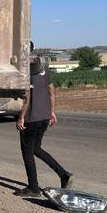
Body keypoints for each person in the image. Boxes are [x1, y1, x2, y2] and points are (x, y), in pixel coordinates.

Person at [14, 47, 72, 198]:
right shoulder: (43, 67)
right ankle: (64, 174)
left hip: (30, 118)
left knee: (27, 151)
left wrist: (21, 117)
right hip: (44, 117)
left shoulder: (25, 69)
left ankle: (33, 188)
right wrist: (52, 112)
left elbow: (26, 97)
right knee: (36, 148)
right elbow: (52, 91)